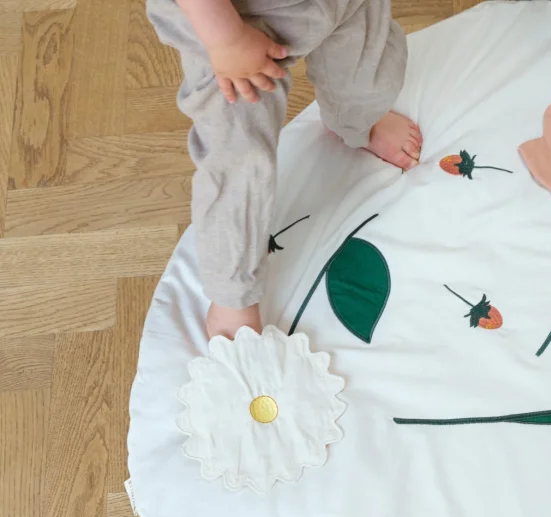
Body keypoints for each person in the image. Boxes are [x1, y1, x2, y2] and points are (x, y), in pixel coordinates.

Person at [147, 0, 423, 339]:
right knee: (237, 154)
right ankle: (233, 296)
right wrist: (227, 39)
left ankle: (357, 119)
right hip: (229, 24)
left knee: (366, 72)